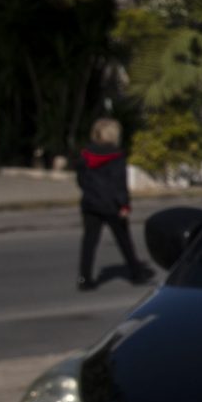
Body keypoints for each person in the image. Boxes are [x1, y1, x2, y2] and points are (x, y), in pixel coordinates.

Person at [74, 117, 153, 291]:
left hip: (90, 203)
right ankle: (137, 273)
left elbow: (80, 179)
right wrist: (124, 205)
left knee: (89, 241)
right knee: (124, 240)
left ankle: (84, 279)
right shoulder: (116, 155)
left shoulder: (85, 154)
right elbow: (119, 183)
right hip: (112, 205)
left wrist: (89, 192)